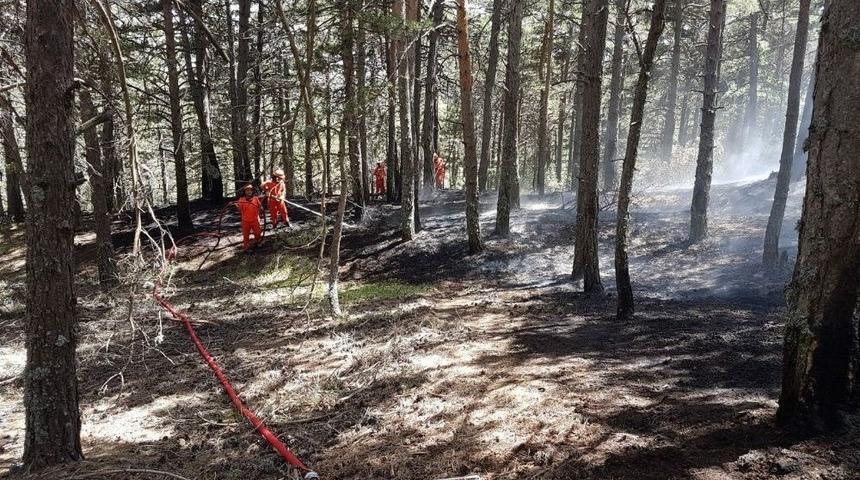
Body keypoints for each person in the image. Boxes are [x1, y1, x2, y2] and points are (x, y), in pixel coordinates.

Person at [236, 184, 262, 252]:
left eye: (250, 190)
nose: (249, 192)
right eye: (247, 190)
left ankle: (257, 242)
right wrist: (237, 206)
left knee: (258, 233)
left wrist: (260, 209)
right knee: (246, 236)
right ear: (244, 191)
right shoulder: (241, 199)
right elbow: (240, 209)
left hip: (255, 220)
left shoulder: (256, 198)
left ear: (252, 191)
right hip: (245, 221)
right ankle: (246, 248)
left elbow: (260, 207)